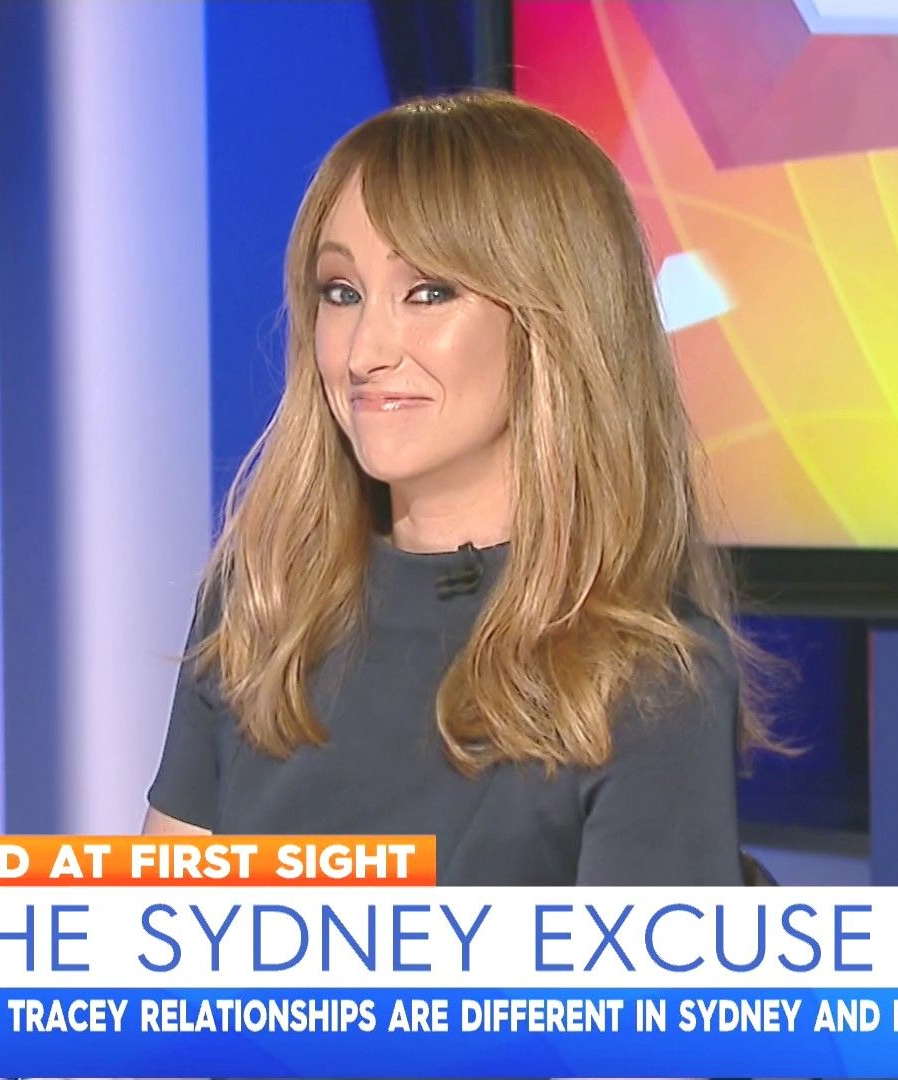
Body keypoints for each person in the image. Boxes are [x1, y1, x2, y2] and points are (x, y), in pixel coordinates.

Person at [143, 90, 780, 885]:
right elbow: (156, 943)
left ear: (555, 322)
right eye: (341, 292)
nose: (364, 352)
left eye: (429, 292)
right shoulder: (263, 599)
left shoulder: (645, 681)